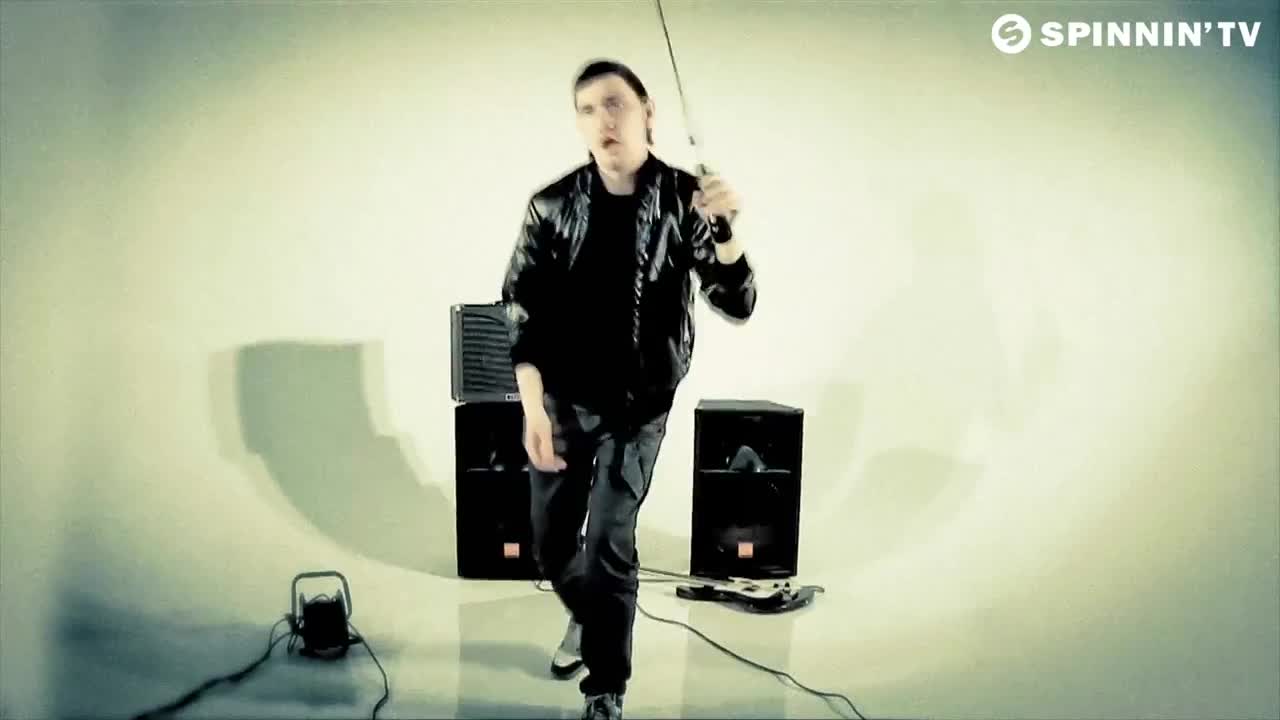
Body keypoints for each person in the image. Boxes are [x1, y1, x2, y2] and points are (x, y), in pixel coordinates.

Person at [499, 58, 757, 720]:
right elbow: (522, 309)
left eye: (615, 103)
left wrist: (727, 232)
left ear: (647, 113)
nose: (603, 120)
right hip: (563, 401)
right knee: (551, 545)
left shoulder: (685, 198)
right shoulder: (551, 205)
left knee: (609, 542)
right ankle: (591, 618)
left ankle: (605, 687)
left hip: (640, 408)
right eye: (588, 109)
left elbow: (737, 301)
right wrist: (532, 408)